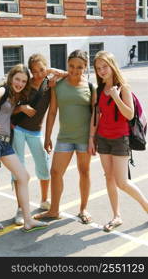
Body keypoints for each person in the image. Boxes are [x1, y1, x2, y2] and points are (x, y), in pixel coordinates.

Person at [0, 64, 48, 232]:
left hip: (4, 142)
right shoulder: (3, 90)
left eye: (23, 81)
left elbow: (7, 111)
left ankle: (28, 220)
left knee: (23, 176)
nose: (20, 83)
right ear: (11, 78)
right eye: (17, 79)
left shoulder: (15, 95)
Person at [33, 49, 96, 223]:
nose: (75, 70)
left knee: (84, 171)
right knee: (55, 172)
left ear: (85, 68)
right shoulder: (58, 84)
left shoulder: (91, 87)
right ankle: (54, 210)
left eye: (80, 67)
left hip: (84, 139)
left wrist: (92, 138)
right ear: (67, 65)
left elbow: (95, 116)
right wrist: (47, 137)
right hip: (64, 138)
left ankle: (83, 209)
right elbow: (52, 112)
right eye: (72, 66)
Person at [88, 50, 148, 232]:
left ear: (112, 66)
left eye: (104, 67)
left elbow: (129, 114)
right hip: (103, 139)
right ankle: (116, 216)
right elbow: (95, 116)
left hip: (120, 139)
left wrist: (115, 96)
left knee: (122, 182)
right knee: (109, 178)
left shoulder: (123, 87)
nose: (101, 71)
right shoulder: (98, 90)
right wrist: (91, 138)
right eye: (98, 68)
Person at [11, 54, 68, 226]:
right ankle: (20, 208)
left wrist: (49, 73)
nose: (38, 74)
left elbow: (67, 74)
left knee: (43, 164)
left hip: (36, 131)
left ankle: (44, 200)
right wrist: (21, 107)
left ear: (47, 68)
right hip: (18, 129)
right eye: (34, 71)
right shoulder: (25, 84)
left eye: (42, 70)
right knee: (18, 168)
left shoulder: (50, 84)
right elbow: (9, 109)